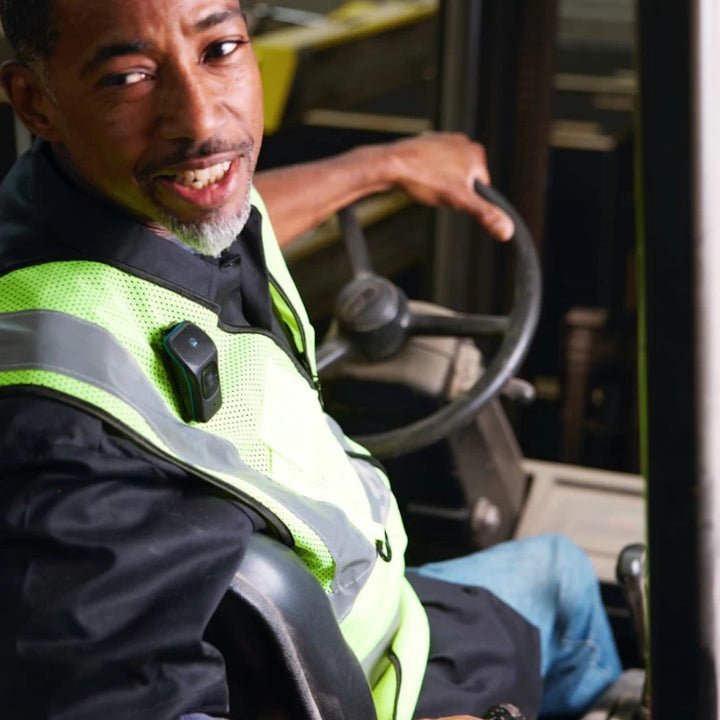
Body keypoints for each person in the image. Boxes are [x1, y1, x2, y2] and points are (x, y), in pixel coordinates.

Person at [0, 1, 622, 719]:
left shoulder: (100, 201)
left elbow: (240, 213)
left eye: (220, 49)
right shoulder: (58, 433)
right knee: (564, 587)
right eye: (130, 77)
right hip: (364, 690)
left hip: (374, 622)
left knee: (563, 569)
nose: (203, 122)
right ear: (34, 102)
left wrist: (380, 165)